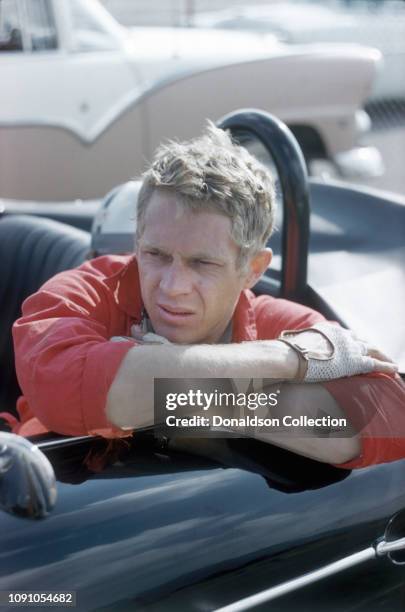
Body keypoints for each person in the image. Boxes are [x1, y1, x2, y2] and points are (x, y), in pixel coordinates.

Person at [9, 123, 405, 469]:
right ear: (137, 241)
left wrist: (179, 397)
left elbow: (388, 416)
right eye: (156, 254)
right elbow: (58, 387)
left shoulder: (281, 323)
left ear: (253, 270)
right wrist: (288, 360)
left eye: (203, 264)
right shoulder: (85, 291)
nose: (172, 285)